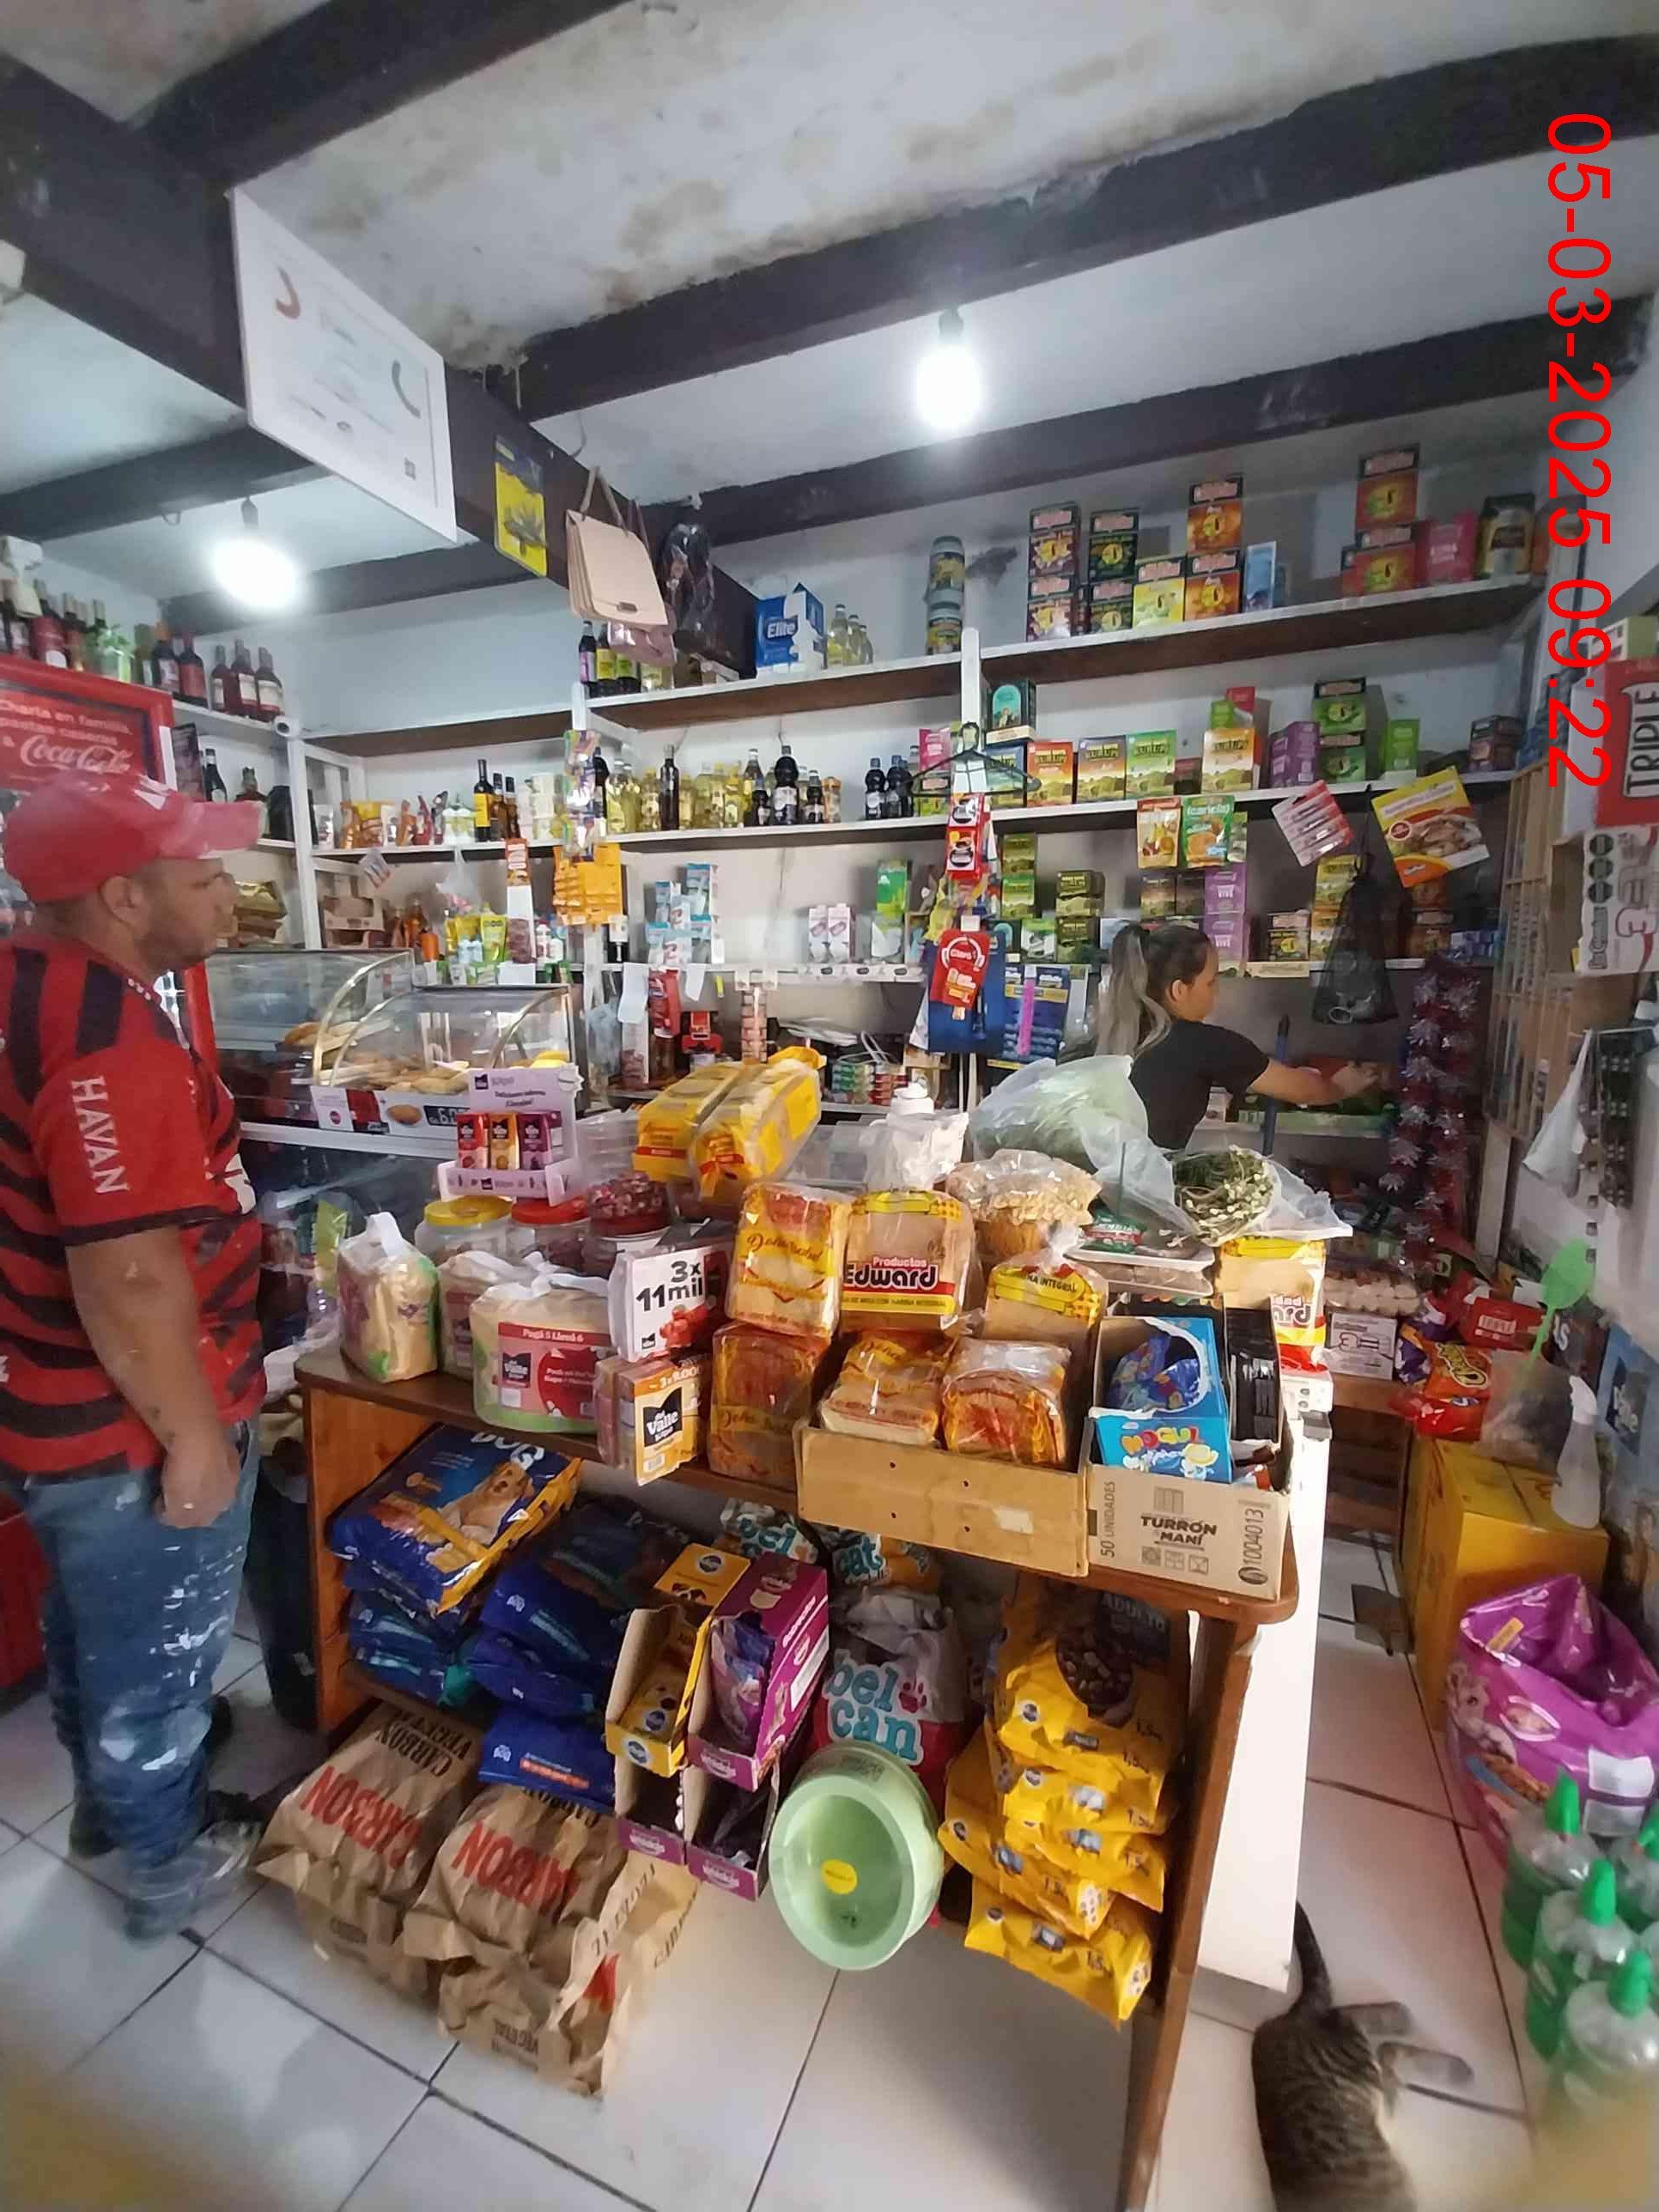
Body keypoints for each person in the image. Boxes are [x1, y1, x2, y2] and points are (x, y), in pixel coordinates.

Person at [0, 770, 267, 1941]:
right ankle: (168, 1861)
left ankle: (109, 1816)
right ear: (122, 896)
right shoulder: (107, 1040)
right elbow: (130, 1275)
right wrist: (195, 1441)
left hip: (50, 1408)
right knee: (158, 1657)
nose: (228, 894)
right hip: (127, 1422)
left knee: (92, 1631)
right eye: (202, 875)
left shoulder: (27, 980)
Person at [1101, 921, 1386, 1151]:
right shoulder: (1203, 1044)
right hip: (1142, 1191)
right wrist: (1342, 1086)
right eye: (1211, 981)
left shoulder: (1110, 1037)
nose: (1217, 991)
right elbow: (1307, 1090)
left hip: (1093, 1187)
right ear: (1179, 990)